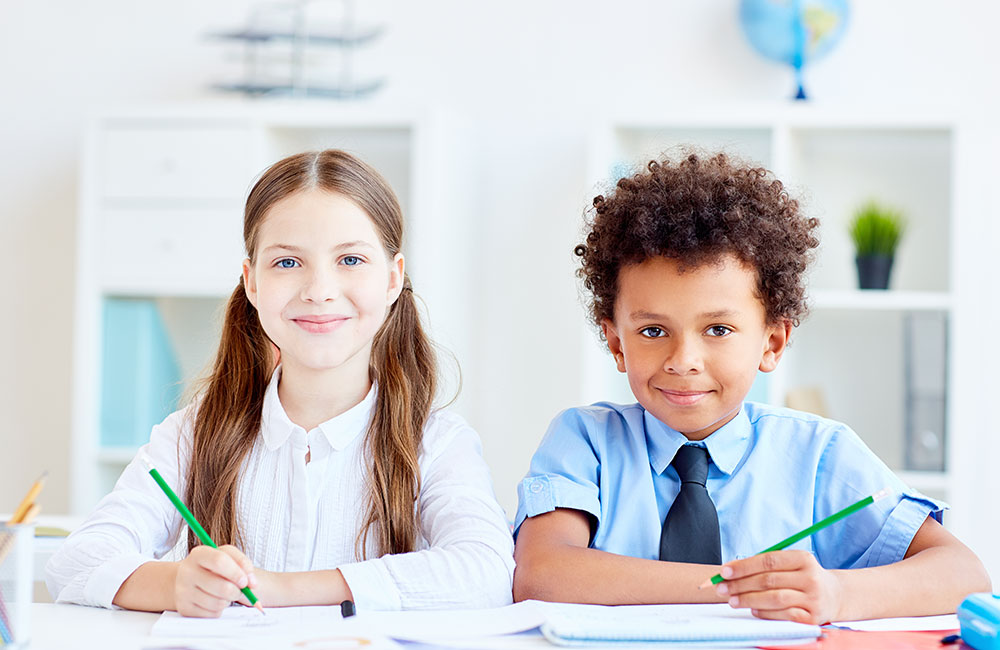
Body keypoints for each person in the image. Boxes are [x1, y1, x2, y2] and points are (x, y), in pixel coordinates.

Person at [511, 152, 989, 623]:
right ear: (616, 342)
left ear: (772, 342)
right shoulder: (585, 441)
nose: (683, 362)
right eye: (653, 331)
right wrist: (737, 588)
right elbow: (543, 573)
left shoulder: (821, 453)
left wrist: (837, 593)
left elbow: (963, 573)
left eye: (718, 329)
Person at [47, 150, 514, 616]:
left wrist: (281, 589)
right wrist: (175, 584)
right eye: (288, 263)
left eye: (350, 259)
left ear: (393, 279)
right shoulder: (191, 435)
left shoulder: (436, 443)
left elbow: (487, 572)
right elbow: (76, 561)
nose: (319, 290)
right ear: (251, 283)